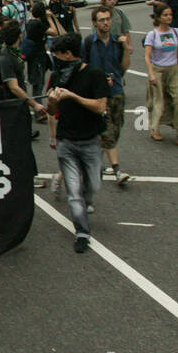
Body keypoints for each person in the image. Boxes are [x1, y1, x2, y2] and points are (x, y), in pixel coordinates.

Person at [46, 33, 111, 254]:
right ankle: (82, 232)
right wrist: (53, 103)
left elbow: (100, 107)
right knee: (74, 192)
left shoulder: (95, 75)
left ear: (68, 54)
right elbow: (51, 111)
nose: (56, 60)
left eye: (58, 55)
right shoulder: (56, 76)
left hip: (91, 140)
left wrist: (73, 96)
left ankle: (91, 189)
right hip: (67, 140)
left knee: (93, 185)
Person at [81, 5, 133, 184]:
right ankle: (117, 170)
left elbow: (124, 67)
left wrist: (126, 48)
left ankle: (90, 161)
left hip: (117, 90)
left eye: (108, 19)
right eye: (102, 20)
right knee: (107, 132)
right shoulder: (88, 43)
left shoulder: (117, 42)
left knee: (116, 129)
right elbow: (82, 68)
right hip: (98, 95)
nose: (106, 23)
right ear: (95, 23)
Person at [143, 4, 178, 147]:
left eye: (170, 14)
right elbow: (147, 56)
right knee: (158, 102)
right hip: (158, 70)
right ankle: (154, 128)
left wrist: (177, 66)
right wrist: (151, 74)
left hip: (173, 69)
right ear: (158, 17)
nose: (169, 17)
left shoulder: (176, 32)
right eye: (165, 15)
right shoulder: (152, 35)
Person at [0, 20, 48, 120]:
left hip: (19, 104)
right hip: (12, 106)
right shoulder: (6, 58)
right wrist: (34, 104)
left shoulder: (14, 53)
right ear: (20, 36)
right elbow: (14, 87)